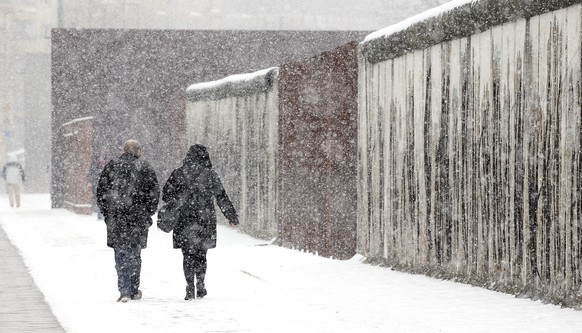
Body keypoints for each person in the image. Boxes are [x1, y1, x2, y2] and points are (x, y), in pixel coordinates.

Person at [162, 144, 239, 300]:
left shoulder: (178, 173)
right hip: (205, 219)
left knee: (187, 254)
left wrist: (179, 199)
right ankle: (201, 283)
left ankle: (189, 286)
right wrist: (231, 216)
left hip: (184, 219)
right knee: (201, 254)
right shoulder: (210, 175)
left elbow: (166, 194)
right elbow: (221, 197)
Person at [96, 139, 159, 303]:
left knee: (120, 253)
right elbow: (154, 192)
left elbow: (101, 191)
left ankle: (123, 289)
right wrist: (148, 212)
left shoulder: (112, 166)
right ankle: (133, 288)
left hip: (117, 218)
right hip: (138, 218)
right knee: (135, 253)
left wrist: (108, 213)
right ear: (138, 151)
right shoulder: (144, 167)